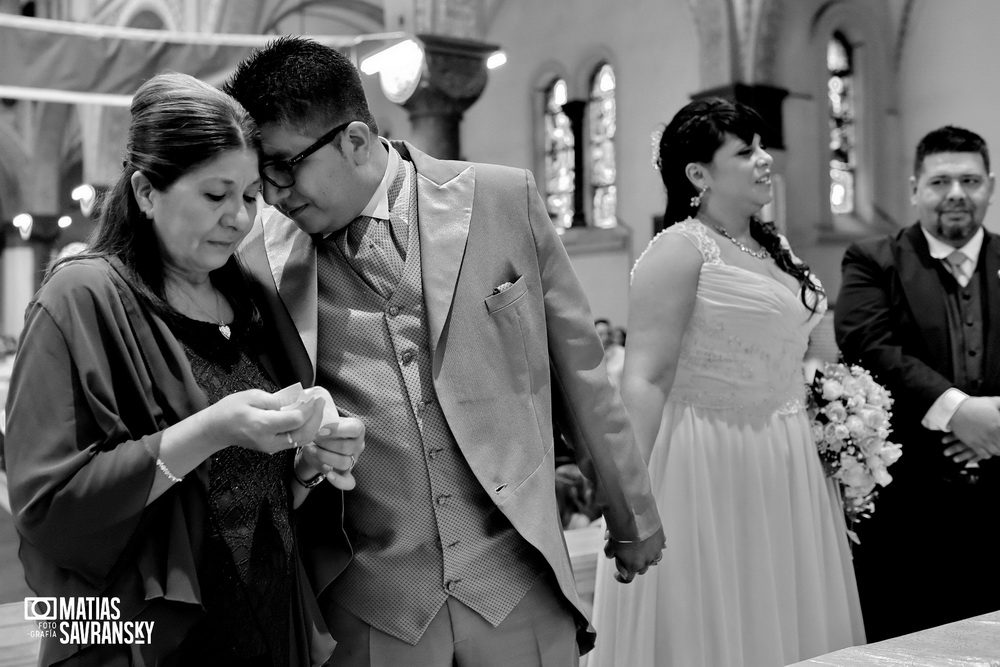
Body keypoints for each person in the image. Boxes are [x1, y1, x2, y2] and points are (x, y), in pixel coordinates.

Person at [224, 36, 664, 667]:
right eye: (259, 176)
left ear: (353, 140)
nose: (272, 194)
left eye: (285, 166)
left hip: (517, 584)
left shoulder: (501, 200)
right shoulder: (260, 259)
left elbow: (580, 373)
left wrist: (631, 513)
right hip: (370, 605)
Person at [2, 72, 365, 667]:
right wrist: (211, 429)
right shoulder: (81, 298)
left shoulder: (250, 298)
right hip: (146, 638)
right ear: (146, 192)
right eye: (214, 196)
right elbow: (48, 507)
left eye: (250, 196)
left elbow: (247, 495)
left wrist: (307, 463)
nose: (239, 219)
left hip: (267, 623)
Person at [590, 97, 865, 667]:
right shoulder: (678, 250)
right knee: (715, 613)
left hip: (786, 455)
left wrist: (841, 411)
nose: (765, 160)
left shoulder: (774, 246)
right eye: (746, 151)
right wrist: (629, 500)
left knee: (786, 607)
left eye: (762, 147)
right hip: (707, 456)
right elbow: (644, 379)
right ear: (699, 174)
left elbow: (802, 346)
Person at [834, 125, 1000, 641]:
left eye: (970, 180)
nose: (956, 193)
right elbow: (867, 341)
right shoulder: (872, 261)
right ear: (915, 189)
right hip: (910, 511)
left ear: (990, 186)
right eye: (940, 181)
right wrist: (958, 411)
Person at [595, 318, 625, 390]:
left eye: (608, 333)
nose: (605, 337)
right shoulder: (587, 355)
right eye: (601, 334)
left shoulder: (623, 353)